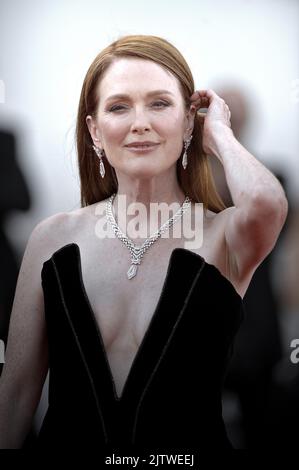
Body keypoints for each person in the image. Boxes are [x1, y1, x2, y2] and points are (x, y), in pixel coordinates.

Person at [0, 34, 288, 450]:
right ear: (95, 131)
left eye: (159, 103)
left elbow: (265, 202)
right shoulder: (52, 238)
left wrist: (220, 134)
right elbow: (14, 397)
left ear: (190, 121)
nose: (140, 122)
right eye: (119, 106)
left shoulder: (224, 234)